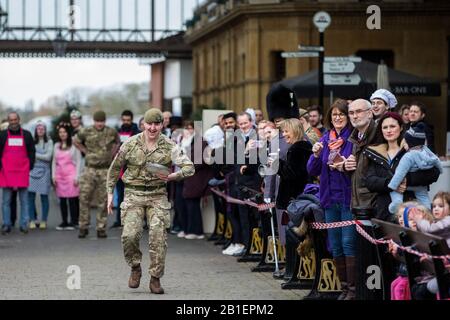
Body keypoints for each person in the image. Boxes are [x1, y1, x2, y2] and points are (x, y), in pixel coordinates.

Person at [106, 108, 195, 294]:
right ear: (143, 124)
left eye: (157, 124)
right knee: (129, 236)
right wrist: (109, 195)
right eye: (149, 124)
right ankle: (135, 267)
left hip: (157, 196)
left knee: (158, 238)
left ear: (162, 125)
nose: (153, 128)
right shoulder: (130, 144)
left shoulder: (169, 146)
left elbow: (189, 167)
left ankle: (155, 278)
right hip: (133, 195)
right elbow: (114, 169)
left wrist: (173, 176)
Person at [307, 99, 356, 300]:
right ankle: (343, 288)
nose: (337, 118)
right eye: (334, 115)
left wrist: (345, 164)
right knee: (335, 244)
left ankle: (353, 290)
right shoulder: (327, 137)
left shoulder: (353, 139)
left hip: (347, 199)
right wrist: (316, 154)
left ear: (348, 117)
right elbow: (311, 170)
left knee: (348, 244)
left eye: (341, 115)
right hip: (329, 199)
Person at [363, 113, 441, 221]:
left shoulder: (413, 149)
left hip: (411, 213)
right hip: (383, 211)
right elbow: (369, 181)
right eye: (385, 127)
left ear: (401, 128)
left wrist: (407, 180)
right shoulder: (375, 153)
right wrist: (392, 183)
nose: (388, 130)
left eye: (392, 126)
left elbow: (433, 173)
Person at [74, 110, 120, 239]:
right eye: (97, 121)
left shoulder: (111, 131)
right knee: (84, 198)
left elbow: (118, 141)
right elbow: (76, 141)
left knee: (104, 200)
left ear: (104, 121)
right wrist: (85, 151)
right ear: (94, 121)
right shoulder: (86, 131)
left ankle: (101, 227)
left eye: (101, 121)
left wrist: (112, 154)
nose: (99, 124)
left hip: (105, 170)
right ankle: (83, 226)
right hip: (90, 169)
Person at [387, 123, 443, 214]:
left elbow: (400, 172)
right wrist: (441, 170)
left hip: (407, 187)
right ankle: (428, 211)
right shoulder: (426, 152)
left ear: (408, 143)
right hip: (421, 187)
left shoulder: (408, 156)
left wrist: (393, 186)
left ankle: (396, 203)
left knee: (396, 192)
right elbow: (437, 161)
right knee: (424, 198)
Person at [0, 111, 35, 234]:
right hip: (6, 173)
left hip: (22, 172)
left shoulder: (27, 135)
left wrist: (30, 166)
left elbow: (31, 151)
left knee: (24, 201)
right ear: (8, 121)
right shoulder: (2, 135)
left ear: (19, 120)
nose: (13, 122)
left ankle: (24, 224)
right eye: (11, 120)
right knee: (6, 201)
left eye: (15, 120)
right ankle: (6, 224)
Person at [181, 121, 214, 239]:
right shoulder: (189, 142)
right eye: (186, 128)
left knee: (192, 204)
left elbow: (202, 161)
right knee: (190, 204)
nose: (188, 130)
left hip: (197, 177)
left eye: (190, 128)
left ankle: (196, 231)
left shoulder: (201, 142)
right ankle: (191, 230)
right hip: (191, 177)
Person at [111, 110, 140, 229]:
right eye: (124, 120)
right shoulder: (118, 133)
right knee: (120, 196)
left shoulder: (137, 132)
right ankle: (119, 220)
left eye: (128, 120)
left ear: (132, 120)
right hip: (120, 170)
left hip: (132, 170)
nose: (126, 122)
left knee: (132, 197)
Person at [53, 124, 82, 230]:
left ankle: (74, 221)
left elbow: (78, 161)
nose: (62, 134)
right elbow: (54, 162)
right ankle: (64, 221)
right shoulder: (56, 145)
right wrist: (53, 176)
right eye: (60, 132)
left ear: (68, 133)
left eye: (64, 132)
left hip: (71, 175)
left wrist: (77, 176)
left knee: (72, 199)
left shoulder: (74, 146)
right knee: (62, 200)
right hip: (60, 176)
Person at [28, 121, 53, 230]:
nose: (40, 130)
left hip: (45, 172)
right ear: (35, 130)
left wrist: (34, 154)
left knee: (44, 197)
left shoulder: (50, 142)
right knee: (30, 197)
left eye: (42, 128)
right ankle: (32, 220)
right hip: (32, 171)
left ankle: (43, 220)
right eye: (38, 128)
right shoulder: (31, 141)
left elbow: (48, 157)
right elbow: (27, 156)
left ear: (45, 129)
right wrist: (38, 155)